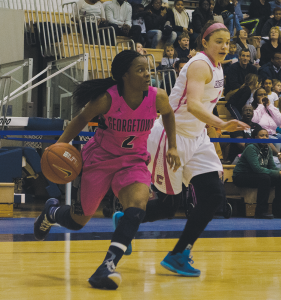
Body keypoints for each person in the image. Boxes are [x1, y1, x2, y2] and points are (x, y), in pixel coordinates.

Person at [33, 50, 181, 290]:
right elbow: (80, 120)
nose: (147, 75)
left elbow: (169, 115)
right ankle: (52, 212)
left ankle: (107, 266)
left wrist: (172, 146)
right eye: (140, 70)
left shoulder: (158, 97)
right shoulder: (107, 99)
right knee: (77, 221)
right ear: (124, 75)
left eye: (148, 70)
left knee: (138, 206)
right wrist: (60, 146)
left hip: (133, 161)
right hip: (100, 160)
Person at [114, 21, 249, 276]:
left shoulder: (220, 67)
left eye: (227, 42)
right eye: (218, 41)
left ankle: (178, 254)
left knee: (214, 197)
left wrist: (210, 128)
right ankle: (126, 220)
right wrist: (221, 123)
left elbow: (202, 110)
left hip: (197, 138)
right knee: (167, 206)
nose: (224, 46)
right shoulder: (199, 65)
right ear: (205, 43)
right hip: (170, 137)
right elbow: (195, 106)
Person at [233, 127, 281, 219]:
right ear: (256, 137)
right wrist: (277, 173)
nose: (264, 137)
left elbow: (272, 167)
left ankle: (279, 211)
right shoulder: (251, 148)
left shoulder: (267, 148)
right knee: (265, 178)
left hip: (258, 175)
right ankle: (261, 212)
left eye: (266, 135)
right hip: (241, 176)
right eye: (261, 135)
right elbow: (257, 169)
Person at [251, 87, 281, 161]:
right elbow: (254, 120)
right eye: (260, 95)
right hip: (262, 137)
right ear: (255, 97)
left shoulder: (270, 108)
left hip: (274, 134)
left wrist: (269, 106)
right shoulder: (253, 108)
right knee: (277, 141)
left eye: (265, 94)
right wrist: (260, 105)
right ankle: (275, 165)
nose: (263, 96)